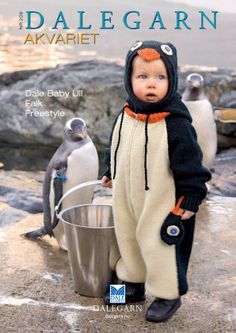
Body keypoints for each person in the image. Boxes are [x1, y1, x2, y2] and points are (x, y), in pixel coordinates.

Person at [102, 40, 211, 323]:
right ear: (129, 79)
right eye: (143, 77)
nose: (151, 85)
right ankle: (131, 284)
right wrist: (108, 170)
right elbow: (114, 145)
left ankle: (167, 294)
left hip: (161, 200)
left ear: (172, 79)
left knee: (159, 243)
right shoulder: (126, 113)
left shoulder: (176, 123)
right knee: (127, 238)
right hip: (127, 194)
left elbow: (192, 165)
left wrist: (190, 196)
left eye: (160, 77)